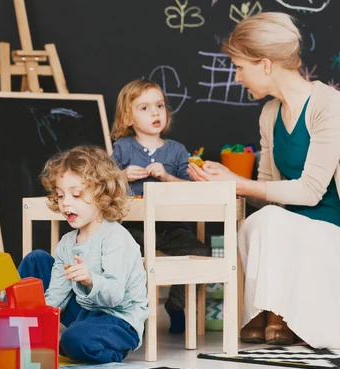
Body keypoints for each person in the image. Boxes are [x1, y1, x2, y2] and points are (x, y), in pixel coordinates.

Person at [188, 12, 340, 348]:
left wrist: (235, 183)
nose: (237, 76)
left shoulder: (329, 105)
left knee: (269, 221)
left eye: (240, 66)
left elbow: (311, 191)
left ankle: (275, 313)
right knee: (259, 220)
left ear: (266, 64)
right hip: (289, 227)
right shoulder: (269, 112)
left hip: (330, 228)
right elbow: (267, 192)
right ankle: (270, 314)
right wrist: (221, 181)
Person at [18, 145, 149, 363]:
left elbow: (115, 296)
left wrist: (90, 280)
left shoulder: (116, 238)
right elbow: (56, 296)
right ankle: (9, 322)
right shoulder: (67, 243)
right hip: (85, 312)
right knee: (36, 259)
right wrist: (41, 319)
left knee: (72, 340)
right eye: (60, 196)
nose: (65, 202)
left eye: (76, 195)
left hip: (118, 319)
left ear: (102, 195)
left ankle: (103, 348)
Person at [111, 79, 210, 334]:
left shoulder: (177, 151)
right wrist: (122, 176)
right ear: (126, 118)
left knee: (201, 254)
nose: (155, 112)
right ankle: (132, 312)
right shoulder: (122, 148)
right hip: (134, 229)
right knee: (128, 259)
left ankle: (176, 306)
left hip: (170, 228)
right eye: (144, 108)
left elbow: (192, 188)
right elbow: (102, 184)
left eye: (159, 106)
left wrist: (166, 177)